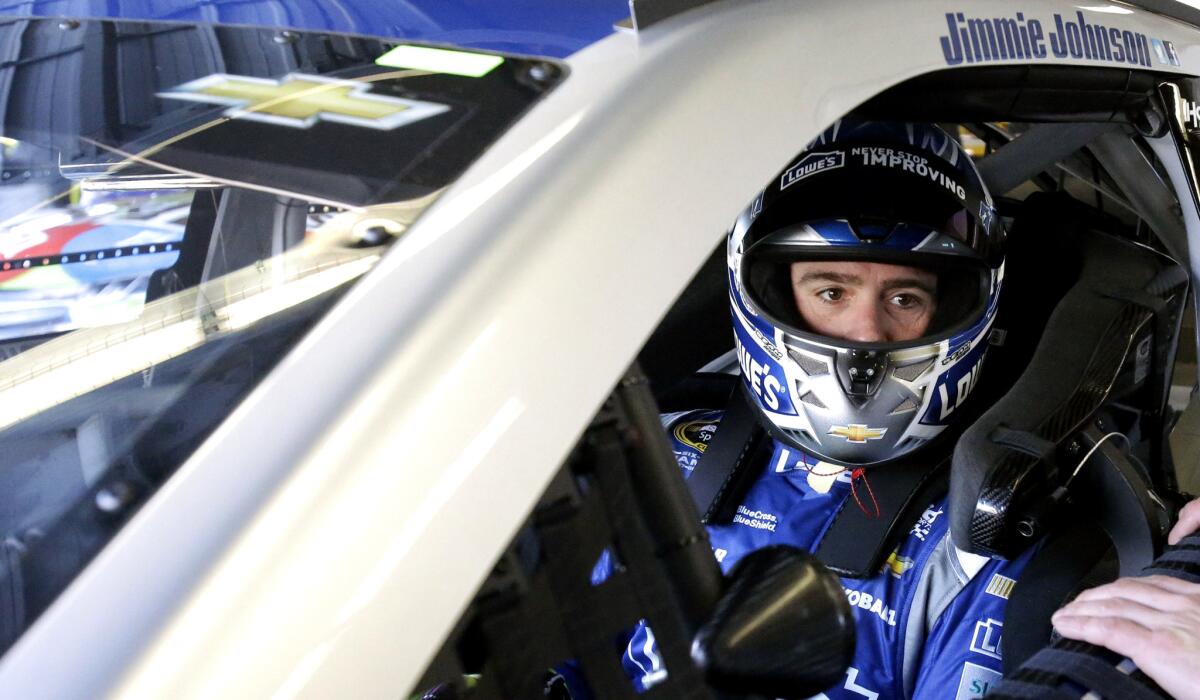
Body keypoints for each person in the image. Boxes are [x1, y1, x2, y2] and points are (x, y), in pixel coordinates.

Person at [613, 121, 1020, 699]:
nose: (867, 332)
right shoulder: (655, 457)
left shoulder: (981, 533)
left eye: (905, 298)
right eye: (832, 292)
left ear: (951, 306)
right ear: (776, 293)